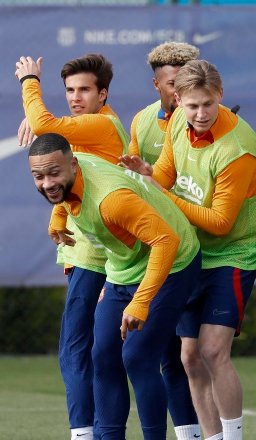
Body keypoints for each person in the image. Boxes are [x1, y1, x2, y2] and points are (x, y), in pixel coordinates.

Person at [120, 59, 256, 440]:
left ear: (220, 95)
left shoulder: (239, 150)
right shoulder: (177, 122)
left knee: (213, 351)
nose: (201, 113)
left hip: (235, 253)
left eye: (208, 104)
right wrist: (147, 175)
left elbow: (221, 222)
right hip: (194, 252)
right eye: (192, 105)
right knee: (188, 356)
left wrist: (161, 191)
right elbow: (167, 175)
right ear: (177, 99)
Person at [28, 133, 202, 440]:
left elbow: (166, 241)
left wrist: (140, 302)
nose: (46, 183)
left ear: (73, 164)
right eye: (38, 177)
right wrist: (58, 217)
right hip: (123, 270)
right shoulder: (70, 176)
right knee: (103, 355)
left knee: (137, 356)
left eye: (54, 173)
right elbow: (61, 193)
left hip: (174, 263)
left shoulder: (112, 200)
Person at [14, 53, 128, 440]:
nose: (75, 97)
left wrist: (30, 80)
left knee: (76, 350)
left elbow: (46, 124)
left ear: (103, 93)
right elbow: (66, 168)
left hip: (96, 254)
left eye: (84, 90)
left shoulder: (102, 125)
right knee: (99, 353)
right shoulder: (86, 129)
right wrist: (58, 218)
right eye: (69, 90)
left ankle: (84, 433)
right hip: (93, 250)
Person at [129, 41, 203, 440]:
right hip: (162, 253)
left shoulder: (210, 122)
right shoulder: (141, 123)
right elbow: (134, 185)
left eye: (185, 83)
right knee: (167, 354)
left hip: (204, 251)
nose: (178, 92)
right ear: (156, 83)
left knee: (196, 355)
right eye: (171, 83)